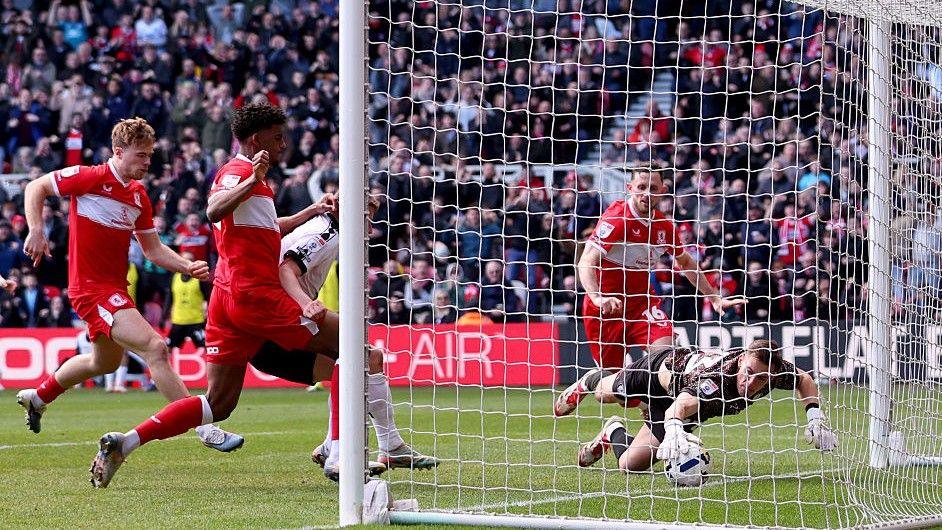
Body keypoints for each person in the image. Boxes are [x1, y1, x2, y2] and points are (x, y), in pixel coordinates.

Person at [88, 104, 335, 488]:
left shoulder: (251, 178)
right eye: (277, 136)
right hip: (256, 295)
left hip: (227, 297)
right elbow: (214, 210)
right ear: (256, 140)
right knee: (358, 347)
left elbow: (267, 228)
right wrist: (252, 179)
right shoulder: (238, 173)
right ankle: (347, 450)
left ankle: (125, 442)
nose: (284, 143)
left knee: (218, 404)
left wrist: (310, 210)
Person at [17, 118, 240, 452]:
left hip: (114, 289)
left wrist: (185, 265)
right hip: (92, 290)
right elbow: (35, 187)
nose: (147, 162)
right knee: (156, 347)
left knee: (102, 363)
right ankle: (204, 426)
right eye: (140, 155)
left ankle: (39, 396)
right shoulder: (91, 177)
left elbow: (152, 249)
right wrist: (36, 229)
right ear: (118, 152)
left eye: (150, 155)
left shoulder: (138, 197)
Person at [272, 200, 437, 480]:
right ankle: (358, 451)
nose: (370, 225)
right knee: (361, 356)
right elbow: (286, 268)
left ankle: (340, 447)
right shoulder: (325, 233)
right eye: (367, 215)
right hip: (283, 314)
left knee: (360, 364)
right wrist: (304, 304)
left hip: (281, 314)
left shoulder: (327, 229)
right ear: (341, 208)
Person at [560, 168, 746, 416]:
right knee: (618, 393)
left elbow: (687, 263)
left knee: (668, 359)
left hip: (642, 305)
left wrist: (713, 297)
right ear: (630, 189)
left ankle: (664, 416)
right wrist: (596, 296)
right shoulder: (617, 218)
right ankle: (589, 382)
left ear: (663, 192)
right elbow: (587, 261)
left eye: (653, 188)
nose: (647, 193)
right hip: (605, 310)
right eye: (641, 187)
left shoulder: (664, 227)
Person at [555, 339, 837, 472]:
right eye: (748, 373)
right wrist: (675, 429)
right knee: (605, 394)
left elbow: (804, 378)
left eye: (761, 379)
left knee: (631, 465)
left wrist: (814, 415)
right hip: (660, 372)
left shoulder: (772, 372)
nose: (751, 383)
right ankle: (589, 380)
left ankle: (611, 431)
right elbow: (677, 408)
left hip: (687, 405)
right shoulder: (716, 380)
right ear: (741, 362)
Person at [166, 252, 210, 359]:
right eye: (183, 260)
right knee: (166, 350)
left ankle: (213, 375)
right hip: (178, 321)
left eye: (189, 260)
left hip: (196, 321)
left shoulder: (200, 278)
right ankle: (160, 374)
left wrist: (207, 315)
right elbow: (169, 298)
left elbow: (208, 298)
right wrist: (164, 317)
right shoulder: (174, 278)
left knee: (209, 350)